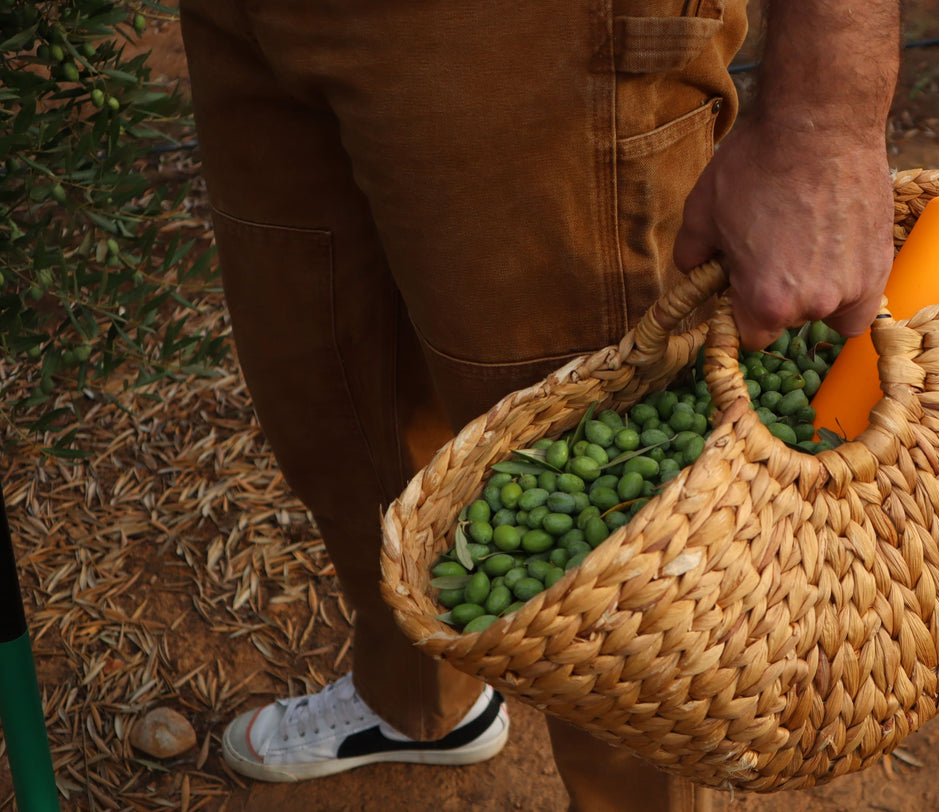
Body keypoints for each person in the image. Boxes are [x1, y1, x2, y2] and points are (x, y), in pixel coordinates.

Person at [176, 0, 899, 809]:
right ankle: (416, 703)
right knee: (333, 395)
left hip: (531, 40)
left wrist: (825, 116)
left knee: (614, 555)